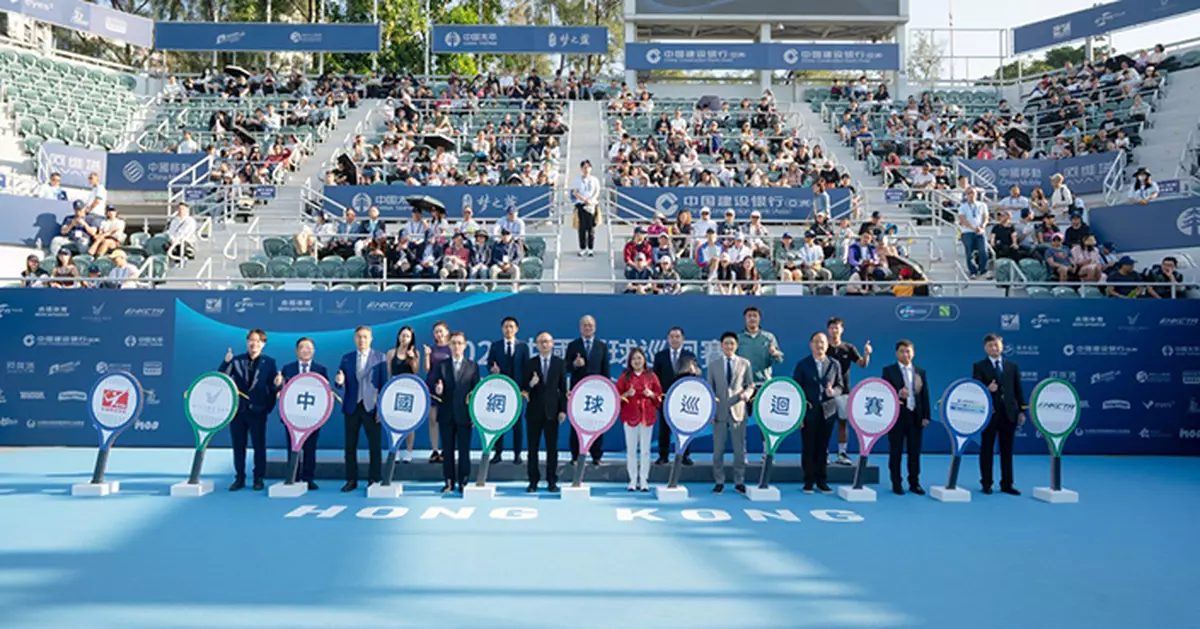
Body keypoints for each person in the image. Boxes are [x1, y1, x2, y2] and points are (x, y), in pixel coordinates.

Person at [219, 329, 280, 491]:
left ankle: (258, 478)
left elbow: (273, 387)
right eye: (252, 340)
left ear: (263, 344)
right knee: (238, 446)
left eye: (258, 341)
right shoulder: (236, 360)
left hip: (258, 411)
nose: (254, 344)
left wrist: (267, 407)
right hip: (237, 412)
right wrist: (226, 362)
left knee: (259, 446)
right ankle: (239, 478)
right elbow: (222, 379)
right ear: (247, 342)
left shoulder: (270, 362)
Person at [334, 326, 388, 492]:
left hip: (371, 408)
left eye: (365, 337)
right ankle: (351, 480)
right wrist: (339, 382)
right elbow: (339, 384)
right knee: (350, 447)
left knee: (375, 446)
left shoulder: (380, 358)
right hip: (351, 407)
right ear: (354, 339)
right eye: (359, 337)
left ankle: (374, 479)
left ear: (371, 339)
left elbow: (384, 385)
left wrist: (381, 409)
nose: (362, 340)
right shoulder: (347, 358)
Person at [972, 334, 1025, 496]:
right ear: (985, 348)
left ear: (1002, 346)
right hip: (990, 414)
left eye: (996, 345)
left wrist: (1021, 411)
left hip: (1009, 413)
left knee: (1007, 450)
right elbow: (975, 389)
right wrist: (987, 388)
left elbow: (1018, 389)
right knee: (987, 449)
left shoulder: (1012, 366)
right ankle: (986, 483)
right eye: (990, 346)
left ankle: (1007, 484)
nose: (994, 348)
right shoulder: (979, 366)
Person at [793, 331, 845, 494]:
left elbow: (840, 386)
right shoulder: (803, 365)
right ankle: (808, 481)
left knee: (823, 448)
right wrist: (799, 413)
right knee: (808, 447)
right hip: (809, 412)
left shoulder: (834, 364)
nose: (819, 345)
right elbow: (796, 389)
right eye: (816, 342)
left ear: (827, 345)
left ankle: (822, 481)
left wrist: (833, 392)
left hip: (828, 412)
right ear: (811, 345)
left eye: (822, 342)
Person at [276, 337, 328, 490]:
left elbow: (325, 393)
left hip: (313, 416)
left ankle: (308, 478)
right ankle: (294, 476)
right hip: (292, 416)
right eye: (302, 347)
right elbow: (281, 391)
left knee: (310, 448)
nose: (306, 350)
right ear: (297, 350)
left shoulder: (321, 370)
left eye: (309, 348)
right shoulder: (288, 369)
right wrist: (278, 385)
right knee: (293, 447)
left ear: (314, 351)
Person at [432, 331, 481, 493]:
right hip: (446, 414)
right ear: (449, 346)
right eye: (453, 343)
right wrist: (438, 390)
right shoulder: (442, 366)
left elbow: (476, 393)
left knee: (464, 450)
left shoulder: (472, 366)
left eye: (459, 343)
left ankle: (463, 481)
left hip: (464, 415)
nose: (456, 346)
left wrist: (475, 415)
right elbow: (434, 387)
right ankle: (448, 481)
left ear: (465, 346)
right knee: (448, 450)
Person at [881, 340, 930, 495]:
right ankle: (896, 483)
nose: (905, 354)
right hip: (897, 418)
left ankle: (914, 483)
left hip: (916, 417)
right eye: (902, 351)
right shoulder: (888, 371)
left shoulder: (920, 372)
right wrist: (897, 394)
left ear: (913, 353)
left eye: (908, 351)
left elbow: (924, 395)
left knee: (914, 452)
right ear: (897, 353)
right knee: (895, 452)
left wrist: (926, 416)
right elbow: (884, 393)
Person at [708, 332, 753, 495]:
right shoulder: (713, 365)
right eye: (726, 343)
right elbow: (709, 390)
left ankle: (739, 481)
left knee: (739, 450)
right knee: (718, 449)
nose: (729, 346)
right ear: (721, 346)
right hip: (719, 413)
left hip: (738, 411)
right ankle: (719, 481)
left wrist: (746, 395)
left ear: (736, 345)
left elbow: (750, 385)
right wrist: (711, 411)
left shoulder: (744, 363)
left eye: (732, 344)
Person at [523, 331, 567, 493]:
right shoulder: (530, 363)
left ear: (552, 344)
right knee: (532, 449)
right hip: (534, 412)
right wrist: (530, 384)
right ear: (536, 345)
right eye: (541, 342)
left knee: (551, 449)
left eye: (547, 341)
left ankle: (551, 481)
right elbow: (523, 388)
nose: (544, 344)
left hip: (552, 412)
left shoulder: (559, 363)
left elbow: (563, 389)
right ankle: (533, 481)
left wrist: (563, 409)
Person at [826, 317, 872, 466]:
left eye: (837, 327)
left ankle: (842, 453)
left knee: (842, 422)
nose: (834, 330)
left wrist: (867, 354)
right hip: (825, 392)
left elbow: (862, 364)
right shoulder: (823, 347)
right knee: (825, 423)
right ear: (828, 330)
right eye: (832, 328)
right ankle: (823, 453)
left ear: (842, 329)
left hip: (844, 391)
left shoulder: (849, 348)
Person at [615, 347, 662, 492]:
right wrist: (627, 394)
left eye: (639, 358)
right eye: (634, 358)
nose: (637, 361)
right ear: (630, 361)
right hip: (630, 416)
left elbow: (660, 396)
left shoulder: (651, 376)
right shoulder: (625, 376)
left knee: (645, 450)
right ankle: (632, 480)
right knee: (631, 450)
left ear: (644, 360)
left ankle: (644, 480)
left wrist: (651, 394)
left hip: (647, 416)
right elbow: (617, 397)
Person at [566, 315, 611, 465]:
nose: (587, 328)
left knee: (596, 423)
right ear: (580, 328)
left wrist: (606, 391)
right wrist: (574, 364)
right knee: (577, 423)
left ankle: (596, 455)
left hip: (596, 391)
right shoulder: (573, 345)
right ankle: (575, 456)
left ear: (595, 328)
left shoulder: (601, 346)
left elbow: (605, 370)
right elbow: (566, 367)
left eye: (590, 325)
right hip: (578, 391)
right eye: (585, 325)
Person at [652, 327, 699, 465]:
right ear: (667, 339)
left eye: (677, 336)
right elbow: (655, 377)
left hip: (683, 399)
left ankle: (684, 455)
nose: (674, 339)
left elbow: (697, 373)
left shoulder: (689, 356)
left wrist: (695, 371)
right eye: (672, 336)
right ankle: (663, 456)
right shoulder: (660, 356)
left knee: (684, 427)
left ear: (683, 339)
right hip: (666, 397)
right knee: (664, 428)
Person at [486, 316, 528, 464]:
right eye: (506, 326)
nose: (508, 329)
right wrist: (493, 369)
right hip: (500, 390)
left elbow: (526, 369)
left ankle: (517, 454)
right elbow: (489, 364)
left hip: (517, 391)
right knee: (499, 423)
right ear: (501, 329)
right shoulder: (495, 346)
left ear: (516, 329)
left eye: (511, 326)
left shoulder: (523, 347)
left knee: (517, 424)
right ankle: (498, 453)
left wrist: (524, 389)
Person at [737, 306, 784, 422]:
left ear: (759, 319)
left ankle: (765, 441)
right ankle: (742, 441)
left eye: (755, 316)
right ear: (745, 319)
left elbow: (779, 359)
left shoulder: (768, 337)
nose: (752, 319)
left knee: (765, 420)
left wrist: (774, 353)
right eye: (749, 316)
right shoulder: (738, 338)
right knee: (741, 421)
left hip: (764, 384)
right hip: (743, 385)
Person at [384, 326, 421, 463]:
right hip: (394, 390)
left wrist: (412, 359)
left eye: (407, 336)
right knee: (395, 421)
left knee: (409, 422)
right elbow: (389, 372)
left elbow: (416, 371)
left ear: (411, 339)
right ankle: (396, 450)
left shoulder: (414, 353)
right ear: (399, 336)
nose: (404, 338)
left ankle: (409, 451)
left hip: (410, 391)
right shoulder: (390, 353)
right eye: (403, 335)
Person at [423, 321, 451, 463]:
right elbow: (427, 369)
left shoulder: (452, 348)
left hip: (447, 387)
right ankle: (435, 451)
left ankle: (447, 450)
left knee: (446, 420)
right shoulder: (431, 349)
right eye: (436, 332)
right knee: (432, 419)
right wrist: (427, 355)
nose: (438, 334)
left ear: (446, 332)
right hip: (432, 387)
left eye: (441, 331)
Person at [957, 186, 989, 279]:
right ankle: (972, 271)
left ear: (976, 194)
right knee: (969, 252)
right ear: (966, 195)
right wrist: (974, 228)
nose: (971, 195)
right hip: (967, 232)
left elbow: (986, 218)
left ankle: (983, 270)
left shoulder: (982, 205)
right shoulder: (963, 206)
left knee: (983, 250)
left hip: (980, 231)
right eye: (969, 193)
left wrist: (982, 227)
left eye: (973, 193)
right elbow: (962, 220)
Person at [573, 159, 600, 257]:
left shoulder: (594, 180)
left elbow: (597, 191)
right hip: (581, 204)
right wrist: (584, 199)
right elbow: (575, 192)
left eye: (588, 167)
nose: (586, 169)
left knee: (591, 228)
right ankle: (582, 248)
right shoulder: (578, 179)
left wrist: (591, 200)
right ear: (581, 169)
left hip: (592, 205)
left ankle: (590, 248)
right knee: (582, 228)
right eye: (584, 167)